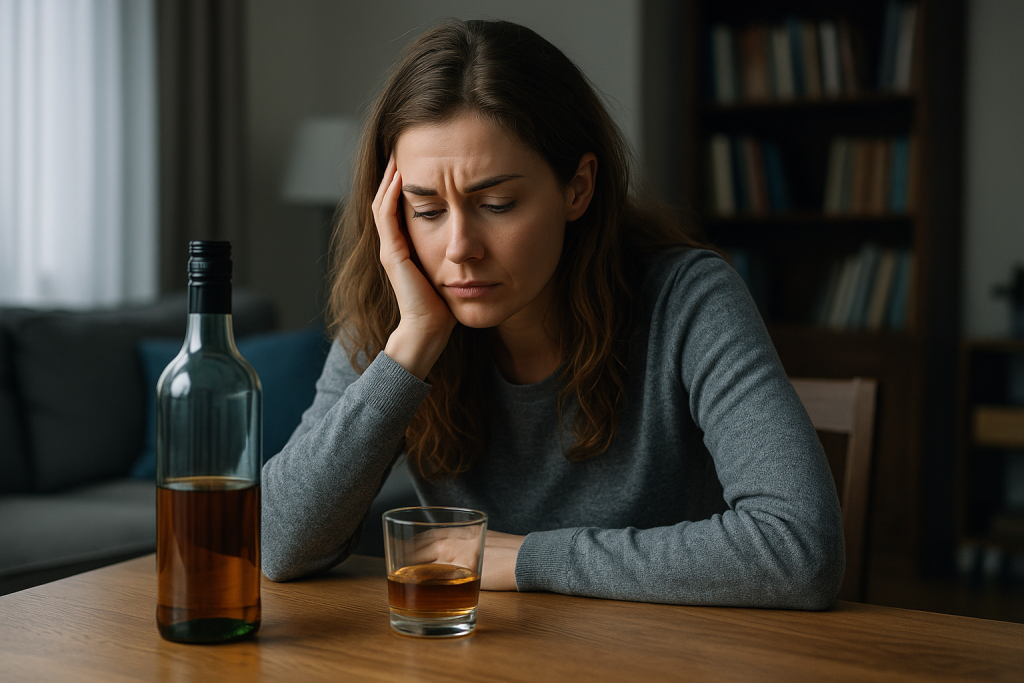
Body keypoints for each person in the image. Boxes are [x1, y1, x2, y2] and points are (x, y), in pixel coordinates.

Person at [261, 18, 845, 609]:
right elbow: (276, 544)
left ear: (578, 188)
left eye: (497, 203)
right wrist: (410, 347)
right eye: (428, 210)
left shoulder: (688, 299)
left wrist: (527, 557)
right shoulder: (399, 312)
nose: (460, 247)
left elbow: (799, 548)